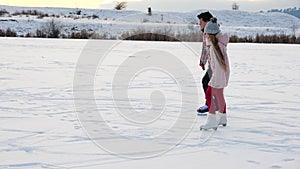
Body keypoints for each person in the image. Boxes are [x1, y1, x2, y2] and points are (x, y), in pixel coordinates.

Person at [200, 17, 230, 130]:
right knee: (219, 94)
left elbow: (217, 66)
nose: (204, 35)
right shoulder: (218, 43)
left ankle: (211, 120)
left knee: (209, 94)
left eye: (206, 33)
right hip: (222, 74)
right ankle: (222, 117)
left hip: (218, 75)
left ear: (210, 35)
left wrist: (214, 80)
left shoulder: (214, 48)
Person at [196, 11, 213, 113]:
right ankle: (211, 105)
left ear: (206, 22)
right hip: (213, 64)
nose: (199, 24)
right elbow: (205, 49)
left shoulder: (212, 32)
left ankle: (210, 105)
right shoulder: (206, 33)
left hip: (217, 64)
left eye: (201, 22)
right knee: (208, 82)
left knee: (207, 82)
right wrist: (202, 61)